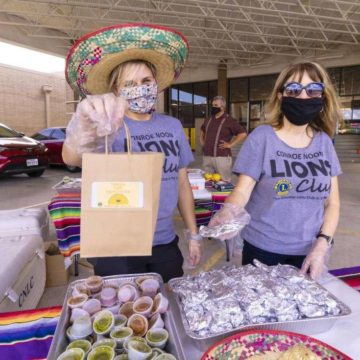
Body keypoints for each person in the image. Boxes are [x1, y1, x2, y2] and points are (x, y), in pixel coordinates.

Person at [62, 24, 202, 282]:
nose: (140, 88)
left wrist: (193, 234)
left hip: (164, 241)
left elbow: (182, 183)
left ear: (155, 84)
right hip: (118, 245)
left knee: (167, 304)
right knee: (123, 310)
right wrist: (84, 123)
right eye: (130, 83)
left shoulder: (171, 126)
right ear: (117, 90)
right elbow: (70, 158)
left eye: (146, 81)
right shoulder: (107, 126)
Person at [209, 61, 342, 280]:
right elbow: (243, 191)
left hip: (310, 252)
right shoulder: (262, 138)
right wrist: (228, 211)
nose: (303, 96)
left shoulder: (324, 143)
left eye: (313, 90)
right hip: (263, 250)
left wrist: (322, 243)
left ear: (322, 96)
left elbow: (332, 203)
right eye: (293, 90)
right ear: (280, 96)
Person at [200, 96, 247, 182]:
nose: (213, 107)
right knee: (208, 183)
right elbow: (202, 131)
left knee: (223, 184)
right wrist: (203, 143)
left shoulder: (230, 120)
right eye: (212, 105)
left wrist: (230, 144)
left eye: (215, 105)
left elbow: (243, 133)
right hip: (207, 157)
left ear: (222, 107)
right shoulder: (208, 119)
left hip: (222, 158)